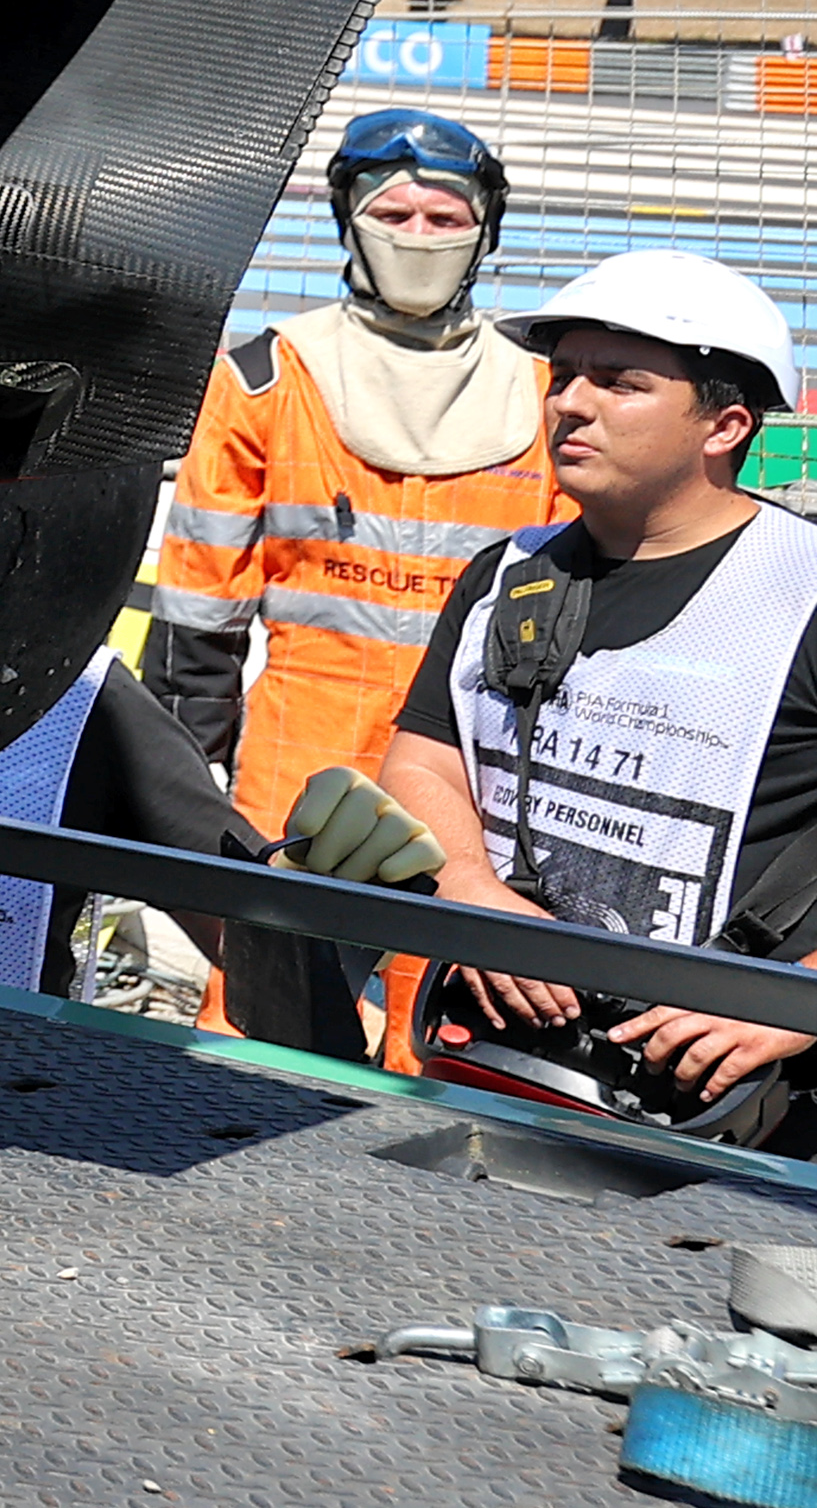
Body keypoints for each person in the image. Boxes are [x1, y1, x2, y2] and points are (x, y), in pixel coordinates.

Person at [374, 250, 817, 1143]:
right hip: (493, 1065)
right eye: (563, 375)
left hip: (727, 1118)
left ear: (723, 425)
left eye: (619, 382)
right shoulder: (504, 576)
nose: (569, 403)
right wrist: (465, 880)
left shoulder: (801, 588)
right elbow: (424, 756)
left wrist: (796, 1003)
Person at [145, 109, 557, 863]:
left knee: (443, 975)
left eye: (443, 216)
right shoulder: (265, 378)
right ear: (348, 222)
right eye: (392, 213)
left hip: (476, 772)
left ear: (483, 231)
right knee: (271, 970)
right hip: (300, 754)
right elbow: (199, 603)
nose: (417, 234)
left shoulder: (541, 392)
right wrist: (186, 758)